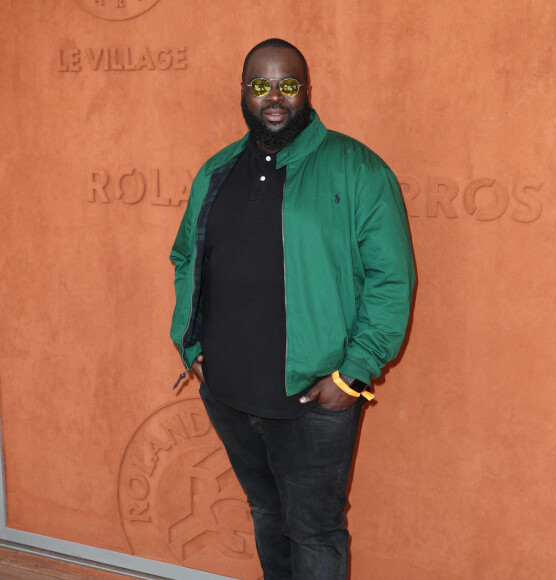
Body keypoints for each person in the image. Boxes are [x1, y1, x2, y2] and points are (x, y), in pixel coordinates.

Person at [170, 38, 415, 580]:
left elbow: (392, 279)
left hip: (314, 399)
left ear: (307, 90)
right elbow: (186, 256)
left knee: (316, 531)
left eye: (288, 84)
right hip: (230, 395)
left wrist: (352, 373)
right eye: (261, 85)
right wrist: (191, 343)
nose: (274, 97)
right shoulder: (216, 171)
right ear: (244, 92)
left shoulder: (357, 169)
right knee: (266, 513)